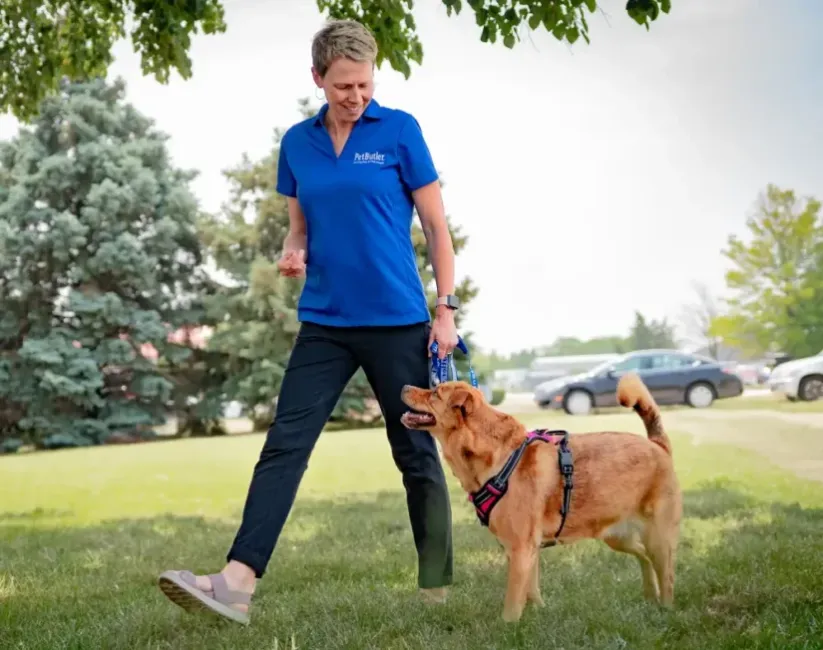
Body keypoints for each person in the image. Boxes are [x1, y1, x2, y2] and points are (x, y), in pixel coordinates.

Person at [158, 18, 462, 625]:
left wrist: (445, 310)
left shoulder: (400, 131)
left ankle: (436, 589)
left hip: (399, 319)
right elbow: (299, 227)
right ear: (318, 78)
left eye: (365, 85)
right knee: (285, 445)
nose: (356, 96)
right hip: (324, 320)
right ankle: (236, 584)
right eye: (344, 85)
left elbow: (435, 228)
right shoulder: (298, 143)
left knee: (415, 455)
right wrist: (293, 252)